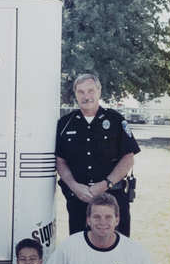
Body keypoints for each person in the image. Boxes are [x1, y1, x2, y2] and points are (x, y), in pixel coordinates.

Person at [55, 73, 140, 236]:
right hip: (78, 199)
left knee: (117, 247)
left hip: (113, 198)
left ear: (99, 92)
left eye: (91, 90)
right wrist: (74, 186)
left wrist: (106, 183)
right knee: (80, 248)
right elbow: (61, 161)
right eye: (81, 92)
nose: (86, 96)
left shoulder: (115, 120)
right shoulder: (65, 123)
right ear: (75, 95)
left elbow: (128, 158)